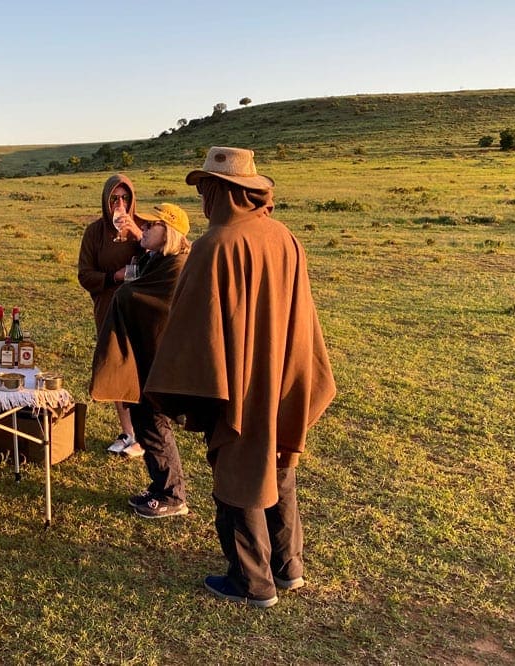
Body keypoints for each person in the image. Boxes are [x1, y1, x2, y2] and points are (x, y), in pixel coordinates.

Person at [145, 147, 337, 608]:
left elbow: (195, 328)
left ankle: (251, 581)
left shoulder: (216, 244)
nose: (202, 200)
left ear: (223, 191)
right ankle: (288, 567)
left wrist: (181, 390)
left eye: (205, 188)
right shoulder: (284, 236)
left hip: (241, 385)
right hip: (284, 374)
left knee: (240, 473)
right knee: (278, 460)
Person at [90, 203, 192, 518]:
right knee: (143, 418)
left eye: (151, 226)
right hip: (147, 354)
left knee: (153, 421)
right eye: (143, 225)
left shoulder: (176, 267)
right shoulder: (155, 260)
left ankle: (172, 495)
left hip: (161, 359)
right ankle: (161, 485)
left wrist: (127, 294)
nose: (143, 229)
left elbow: (145, 301)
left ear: (169, 232)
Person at [78, 174, 146, 458]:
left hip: (141, 310)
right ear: (106, 201)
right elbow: (84, 274)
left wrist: (139, 237)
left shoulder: (145, 226)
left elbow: (165, 260)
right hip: (108, 308)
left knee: (141, 369)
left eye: (125, 198)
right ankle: (128, 433)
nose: (120, 204)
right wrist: (111, 276)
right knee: (116, 366)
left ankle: (145, 433)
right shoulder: (95, 232)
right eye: (114, 198)